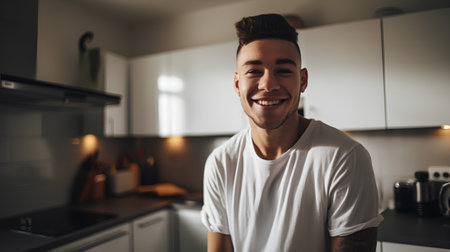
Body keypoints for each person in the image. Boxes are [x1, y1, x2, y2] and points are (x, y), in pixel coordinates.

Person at [200, 13, 383, 252]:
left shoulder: (345, 157)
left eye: (283, 70)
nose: (268, 85)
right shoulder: (221, 162)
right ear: (237, 84)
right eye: (254, 71)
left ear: (303, 80)